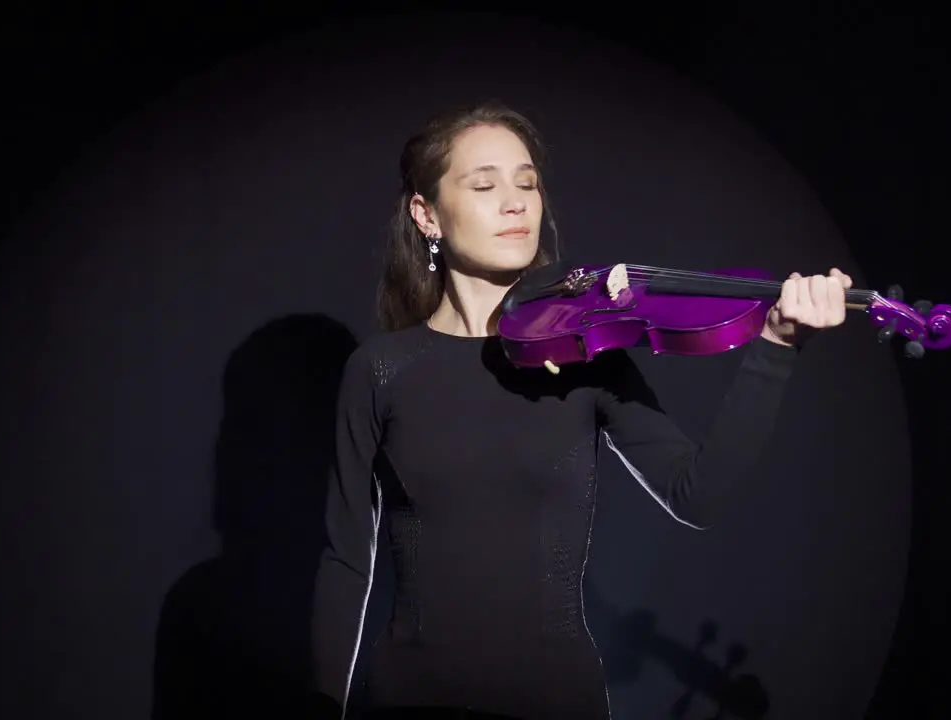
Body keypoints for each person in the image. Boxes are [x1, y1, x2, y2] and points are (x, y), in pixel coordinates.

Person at [308, 101, 852, 720]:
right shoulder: (380, 370)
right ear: (426, 214)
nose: (516, 203)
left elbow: (696, 495)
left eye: (528, 183)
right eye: (484, 185)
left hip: (556, 702)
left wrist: (775, 348)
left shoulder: (587, 354)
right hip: (408, 701)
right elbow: (347, 559)